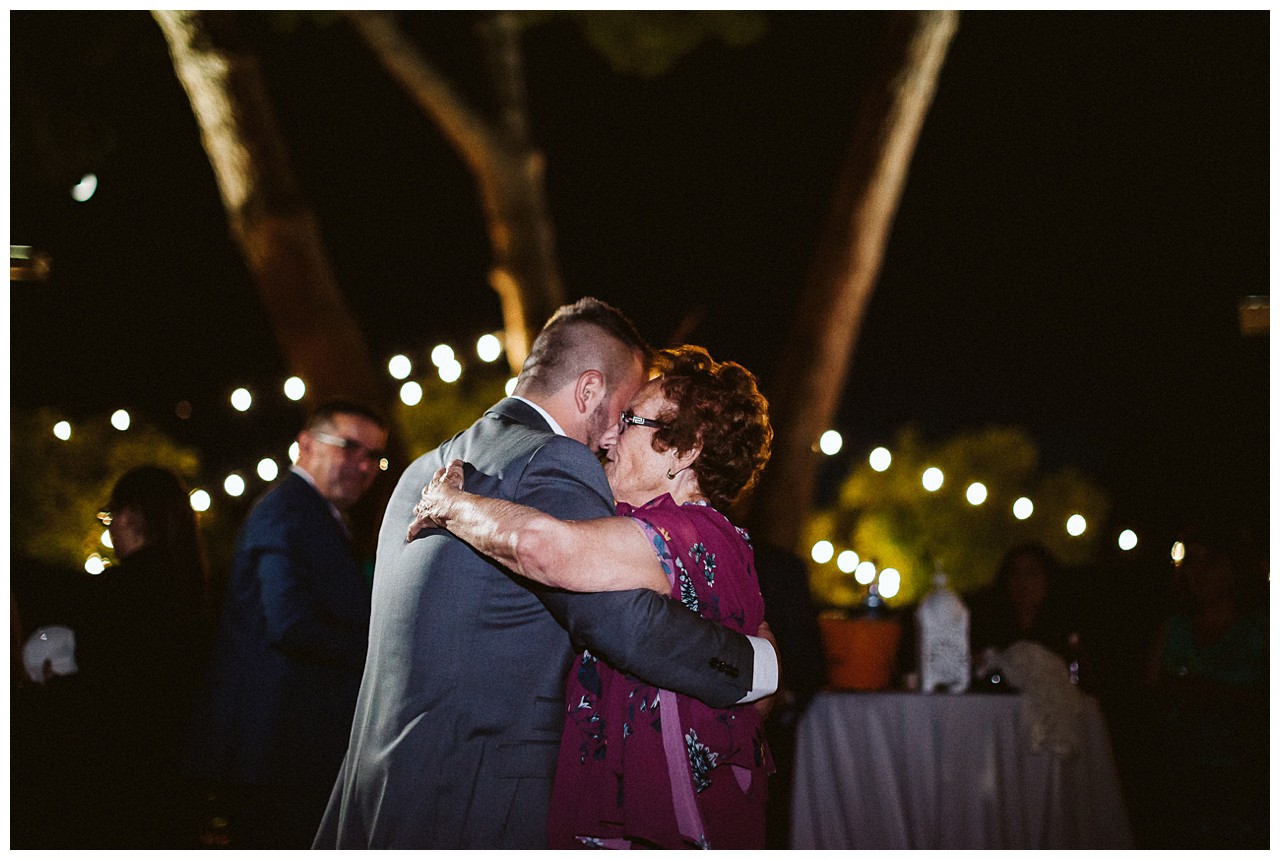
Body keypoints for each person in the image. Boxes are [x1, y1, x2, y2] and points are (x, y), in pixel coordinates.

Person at [315, 298, 778, 849]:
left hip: (381, 789)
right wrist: (759, 667)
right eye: (622, 415)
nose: (610, 439)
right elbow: (624, 623)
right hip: (477, 801)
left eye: (634, 421)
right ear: (588, 392)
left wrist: (760, 668)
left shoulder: (426, 467)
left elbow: (581, 582)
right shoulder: (552, 461)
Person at [184, 400, 388, 848]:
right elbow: (291, 624)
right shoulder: (287, 512)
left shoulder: (316, 515)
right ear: (305, 445)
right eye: (350, 447)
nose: (363, 465)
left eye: (373, 456)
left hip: (285, 747)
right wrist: (385, 652)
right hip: (275, 751)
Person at [13, 465, 211, 847]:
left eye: (110, 516)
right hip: (171, 782)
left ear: (132, 515)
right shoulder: (189, 593)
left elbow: (99, 697)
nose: (109, 528)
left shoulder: (118, 595)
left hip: (115, 785)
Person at [1137, 524, 1267, 848]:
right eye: (1192, 560)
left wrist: (1217, 693)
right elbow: (1146, 696)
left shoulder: (1260, 629)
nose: (1199, 571)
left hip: (1243, 777)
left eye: (1211, 560)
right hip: (1178, 775)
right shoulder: (1175, 628)